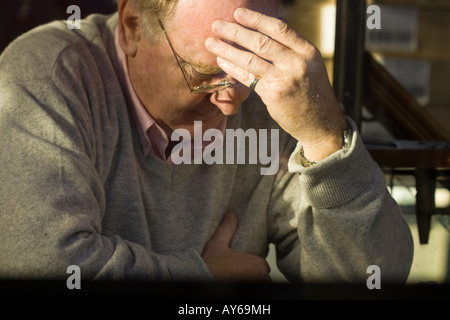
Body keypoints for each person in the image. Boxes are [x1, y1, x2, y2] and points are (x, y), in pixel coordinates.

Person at [0, 0, 413, 283]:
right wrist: (201, 278)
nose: (231, 104)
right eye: (204, 74)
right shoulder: (47, 79)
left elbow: (373, 278)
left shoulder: (275, 100)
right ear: (132, 28)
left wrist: (323, 137)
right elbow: (43, 264)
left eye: (250, 73)